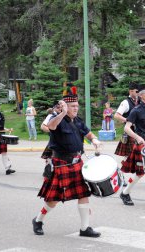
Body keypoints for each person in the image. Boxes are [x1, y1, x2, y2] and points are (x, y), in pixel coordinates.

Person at [32, 87, 102, 237]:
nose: (76, 108)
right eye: (72, 106)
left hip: (77, 163)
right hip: (61, 164)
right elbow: (50, 126)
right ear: (65, 106)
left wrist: (94, 139)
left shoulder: (77, 121)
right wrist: (62, 113)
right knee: (53, 200)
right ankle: (38, 220)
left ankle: (85, 228)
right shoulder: (57, 119)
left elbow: (87, 132)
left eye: (77, 106)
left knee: (84, 194)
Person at [114, 83, 145, 189]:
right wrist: (129, 121)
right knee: (127, 158)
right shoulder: (126, 102)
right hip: (131, 133)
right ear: (130, 91)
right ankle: (122, 177)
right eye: (136, 91)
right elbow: (116, 115)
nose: (138, 93)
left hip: (142, 133)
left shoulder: (141, 103)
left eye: (139, 92)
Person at [40, 102, 62, 178]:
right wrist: (53, 131)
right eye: (57, 107)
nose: (59, 109)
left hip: (61, 141)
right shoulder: (51, 115)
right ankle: (48, 173)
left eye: (60, 107)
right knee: (51, 157)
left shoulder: (61, 115)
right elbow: (43, 127)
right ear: (54, 108)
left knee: (57, 157)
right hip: (54, 140)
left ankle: (52, 173)